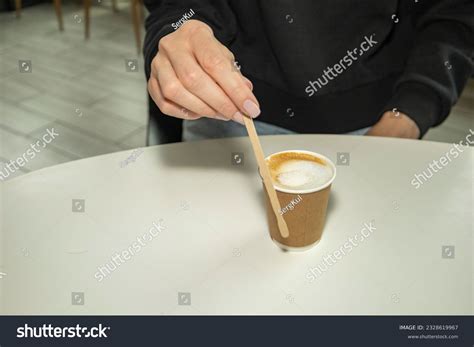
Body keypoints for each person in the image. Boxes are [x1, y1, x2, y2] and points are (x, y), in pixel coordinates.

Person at [143, 1, 473, 145]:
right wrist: (181, 29)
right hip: (224, 116)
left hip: (382, 123)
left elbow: (455, 13)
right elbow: (175, 5)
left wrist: (411, 111)